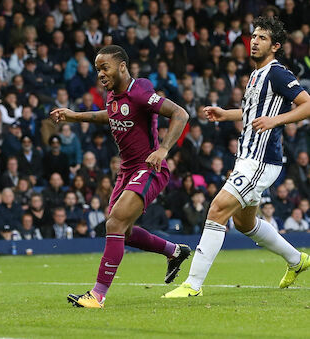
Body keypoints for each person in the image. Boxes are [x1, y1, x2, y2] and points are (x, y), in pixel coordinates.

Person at [165, 17, 310, 298]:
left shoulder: (278, 73)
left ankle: (192, 284)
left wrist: (276, 120)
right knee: (244, 223)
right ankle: (297, 260)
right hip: (246, 157)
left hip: (261, 160)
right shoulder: (256, 74)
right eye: (253, 36)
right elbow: (252, 114)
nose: (254, 41)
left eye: (262, 38)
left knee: (218, 209)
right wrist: (227, 114)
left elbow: (307, 105)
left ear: (275, 46)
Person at [50, 45, 191, 308]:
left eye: (105, 68)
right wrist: (75, 116)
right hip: (126, 170)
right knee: (120, 231)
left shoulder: (140, 92)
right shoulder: (113, 95)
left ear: (122, 66)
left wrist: (163, 149)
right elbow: (111, 116)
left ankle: (97, 295)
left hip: (149, 167)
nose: (100, 74)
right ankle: (175, 251)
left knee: (114, 224)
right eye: (97, 70)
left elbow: (180, 113)